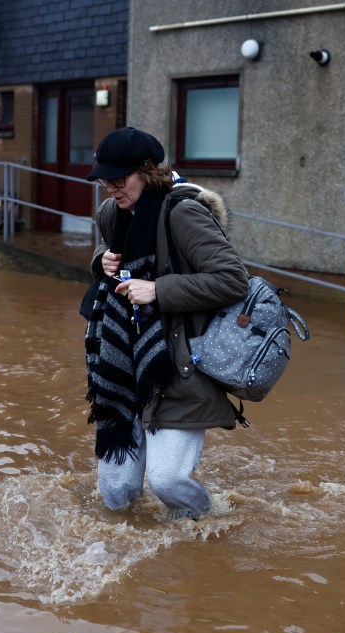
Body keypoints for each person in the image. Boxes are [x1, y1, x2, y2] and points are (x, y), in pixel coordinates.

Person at [82, 127, 249, 520]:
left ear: (147, 172)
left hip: (179, 367)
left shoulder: (183, 212)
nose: (110, 188)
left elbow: (233, 279)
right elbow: (110, 259)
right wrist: (100, 260)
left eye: (119, 179)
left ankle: (207, 528)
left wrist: (158, 290)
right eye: (105, 181)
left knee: (168, 481)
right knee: (115, 491)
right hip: (123, 365)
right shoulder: (112, 213)